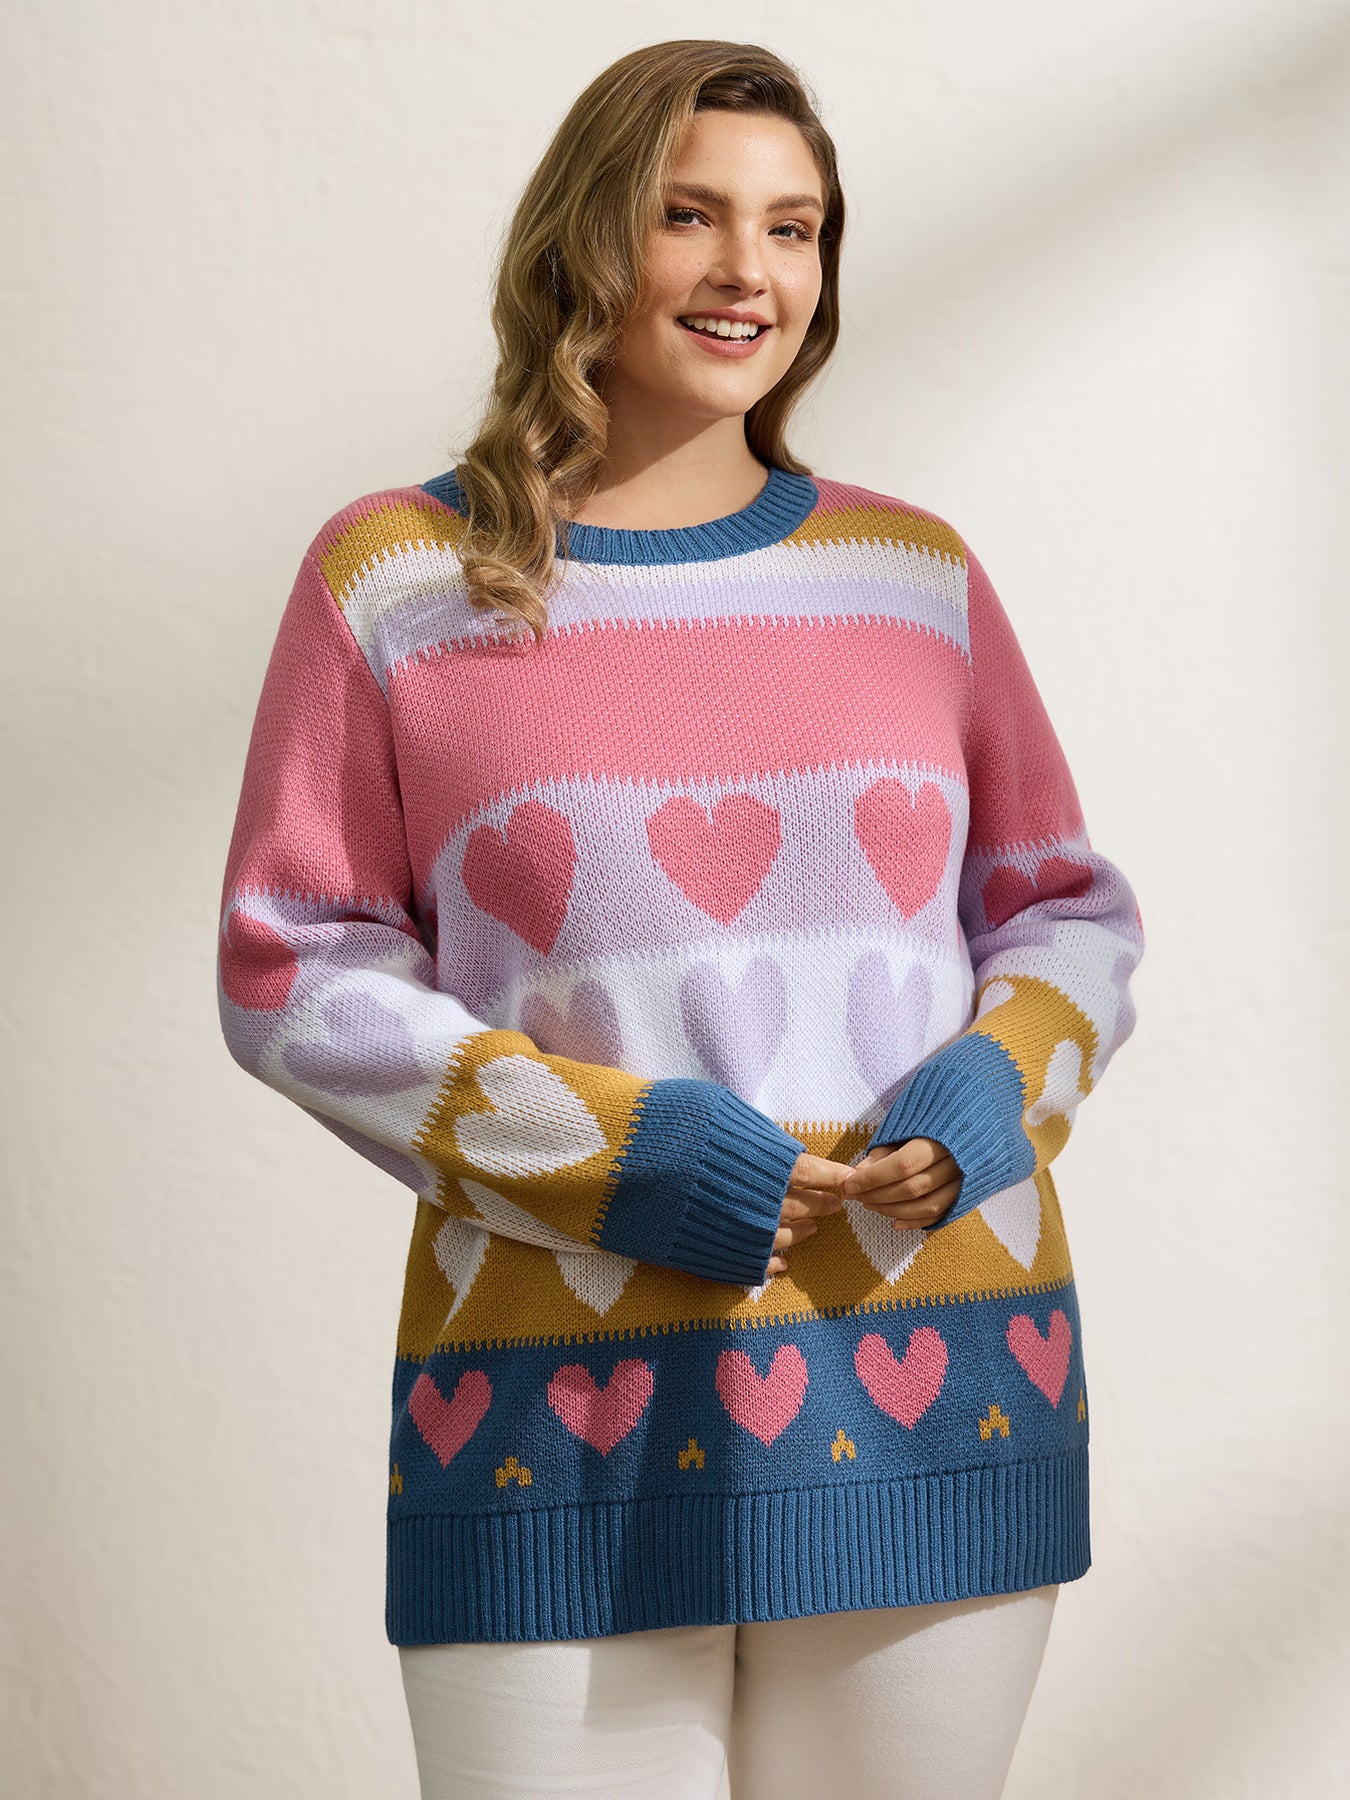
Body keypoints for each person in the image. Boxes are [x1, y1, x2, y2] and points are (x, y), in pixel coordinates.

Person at [216, 37, 1143, 1800]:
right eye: (689, 215)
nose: (749, 272)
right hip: (548, 1405)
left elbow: (1064, 913)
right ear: (581, 235)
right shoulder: (400, 580)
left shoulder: (910, 575)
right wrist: (630, 1155)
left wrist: (986, 1091)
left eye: (793, 228)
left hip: (937, 1368)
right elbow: (293, 967)